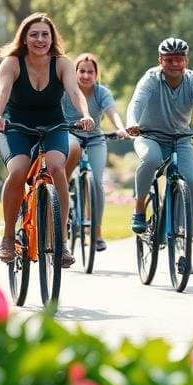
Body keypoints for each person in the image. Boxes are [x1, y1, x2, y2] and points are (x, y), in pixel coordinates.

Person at [0, 13, 94, 267]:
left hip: (53, 125)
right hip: (15, 126)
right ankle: (7, 237)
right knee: (18, 170)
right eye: (34, 34)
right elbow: (1, 93)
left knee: (58, 166)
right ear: (24, 39)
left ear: (52, 38)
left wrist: (85, 114)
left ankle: (62, 243)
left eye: (45, 34)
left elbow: (74, 92)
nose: (40, 39)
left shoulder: (62, 63)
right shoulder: (12, 63)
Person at [126, 37, 193, 241]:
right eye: (169, 60)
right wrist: (132, 122)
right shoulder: (151, 78)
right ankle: (139, 207)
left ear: (186, 60)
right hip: (150, 135)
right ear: (160, 61)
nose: (175, 64)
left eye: (179, 59)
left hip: (181, 139)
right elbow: (137, 102)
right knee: (150, 159)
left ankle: (187, 235)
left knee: (192, 183)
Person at [62, 53, 128, 252]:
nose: (85, 75)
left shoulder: (102, 92)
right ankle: (64, 194)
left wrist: (120, 127)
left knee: (97, 183)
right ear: (75, 73)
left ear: (96, 74)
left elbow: (111, 111)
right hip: (70, 134)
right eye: (81, 71)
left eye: (90, 72)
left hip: (95, 139)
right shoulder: (65, 91)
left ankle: (97, 233)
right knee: (70, 151)